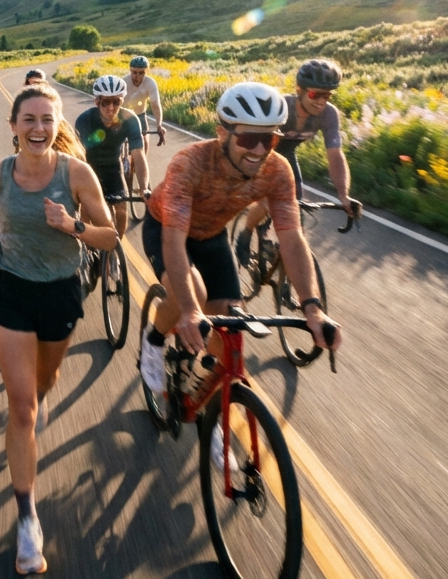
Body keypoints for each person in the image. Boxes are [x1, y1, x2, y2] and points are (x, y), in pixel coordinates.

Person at [0, 84, 117, 575]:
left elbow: (110, 237)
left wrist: (73, 226)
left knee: (45, 382)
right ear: (12, 126)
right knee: (22, 407)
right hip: (11, 289)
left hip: (60, 291)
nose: (38, 128)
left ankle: (40, 397)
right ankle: (27, 518)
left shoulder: (77, 174)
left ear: (58, 126)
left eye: (46, 120)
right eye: (28, 119)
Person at [139, 82, 342, 441]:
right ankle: (153, 340)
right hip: (167, 229)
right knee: (193, 293)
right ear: (222, 133)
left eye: (270, 139)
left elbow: (292, 238)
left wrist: (313, 308)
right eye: (248, 138)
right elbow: (174, 239)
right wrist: (190, 310)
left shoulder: (277, 170)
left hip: (212, 236)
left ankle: (217, 411)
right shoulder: (190, 162)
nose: (259, 150)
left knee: (230, 334)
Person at [235, 59, 357, 264]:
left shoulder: (328, 114)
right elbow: (252, 141)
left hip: (287, 154)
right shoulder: (280, 107)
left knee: (297, 207)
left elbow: (335, 154)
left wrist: (343, 194)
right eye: (315, 94)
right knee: (267, 201)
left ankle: (291, 261)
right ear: (299, 90)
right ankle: (246, 233)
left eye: (327, 95)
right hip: (262, 153)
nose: (321, 101)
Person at [75, 74, 150, 237]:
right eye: (105, 102)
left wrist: (144, 187)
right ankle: (87, 246)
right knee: (87, 212)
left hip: (113, 168)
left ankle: (116, 247)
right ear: (97, 102)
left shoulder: (130, 119)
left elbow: (138, 155)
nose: (111, 107)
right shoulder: (85, 120)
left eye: (116, 102)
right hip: (88, 168)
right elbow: (78, 155)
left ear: (122, 101)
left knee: (122, 211)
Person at [122, 56, 166, 151]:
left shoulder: (150, 83)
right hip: (123, 115)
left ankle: (143, 159)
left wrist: (159, 125)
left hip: (140, 115)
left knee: (144, 140)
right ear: (130, 70)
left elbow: (155, 104)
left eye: (141, 73)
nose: (137, 76)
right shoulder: (123, 82)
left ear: (146, 71)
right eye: (134, 72)